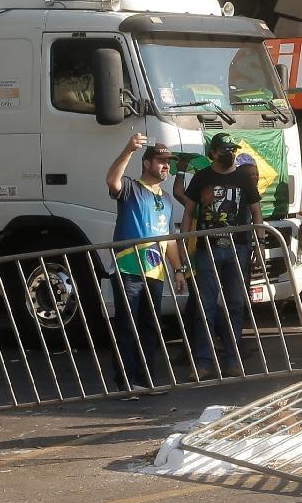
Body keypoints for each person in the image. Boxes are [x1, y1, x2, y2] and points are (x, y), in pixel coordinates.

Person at [176, 132, 262, 379]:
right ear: (213, 153)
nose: (230, 154)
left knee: (236, 304)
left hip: (239, 248)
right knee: (205, 306)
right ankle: (203, 362)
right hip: (207, 249)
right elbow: (189, 212)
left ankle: (232, 360)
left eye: (232, 149)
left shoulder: (243, 177)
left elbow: (256, 211)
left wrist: (259, 243)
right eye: (225, 150)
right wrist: (184, 245)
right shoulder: (202, 177)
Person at [105, 132, 185, 389]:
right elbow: (112, 180)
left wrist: (179, 269)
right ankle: (125, 383)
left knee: (151, 328)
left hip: (155, 272)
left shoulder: (166, 199)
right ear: (146, 163)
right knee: (127, 327)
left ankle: (146, 380)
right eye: (161, 161)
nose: (166, 166)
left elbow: (169, 239)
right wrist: (129, 149)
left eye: (168, 162)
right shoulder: (131, 188)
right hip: (128, 269)